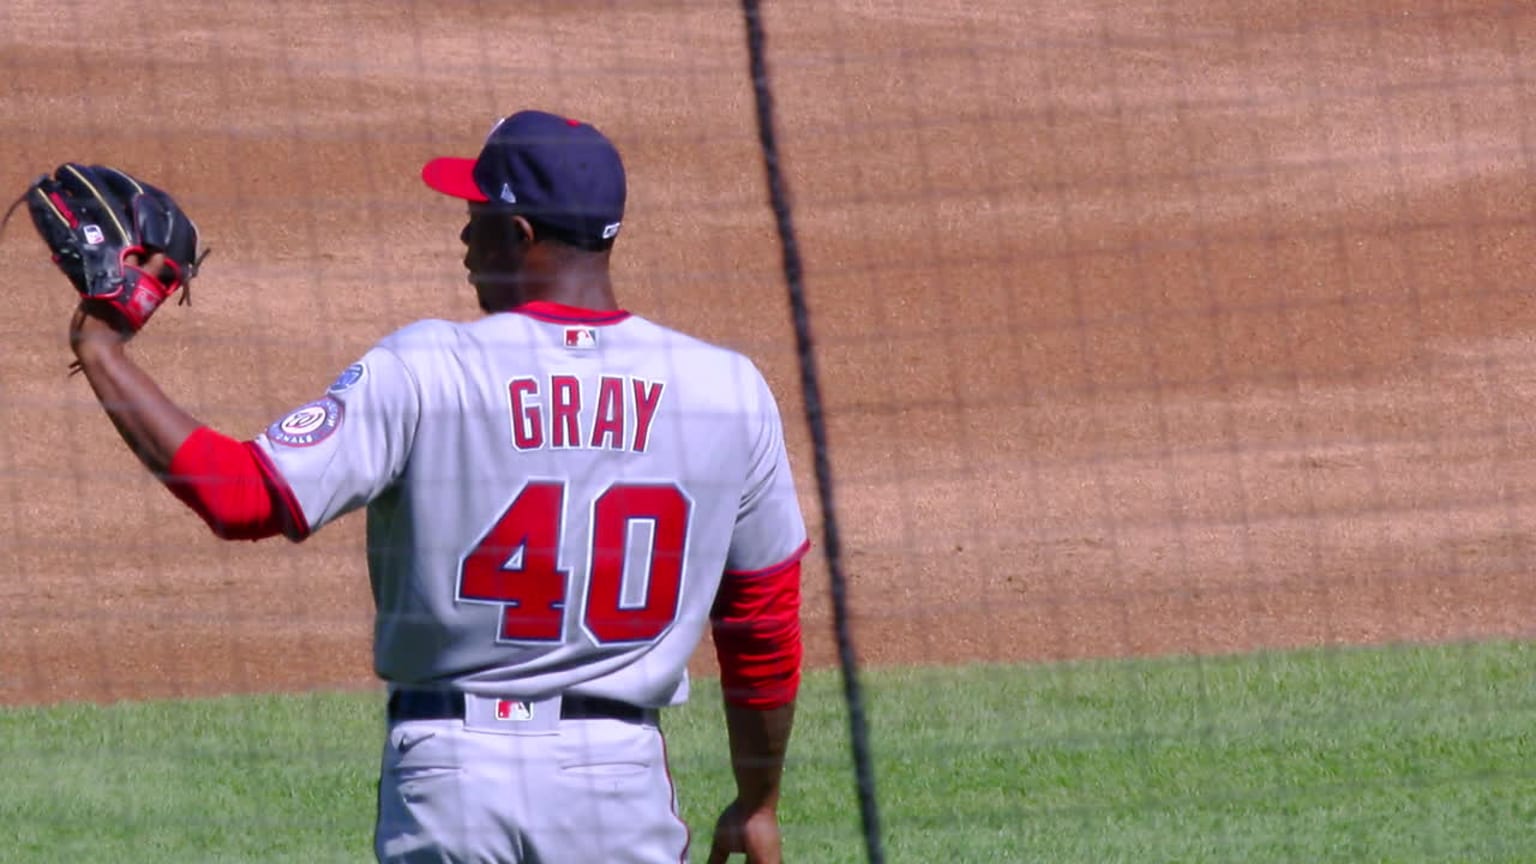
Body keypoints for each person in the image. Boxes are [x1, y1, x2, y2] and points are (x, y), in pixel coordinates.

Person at [65, 109, 809, 864]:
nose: (462, 239)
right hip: (615, 784)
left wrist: (102, 346)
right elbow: (762, 621)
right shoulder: (724, 390)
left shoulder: (429, 369)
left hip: (455, 776)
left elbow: (241, 495)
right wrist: (757, 802)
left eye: (474, 215)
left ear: (519, 235)